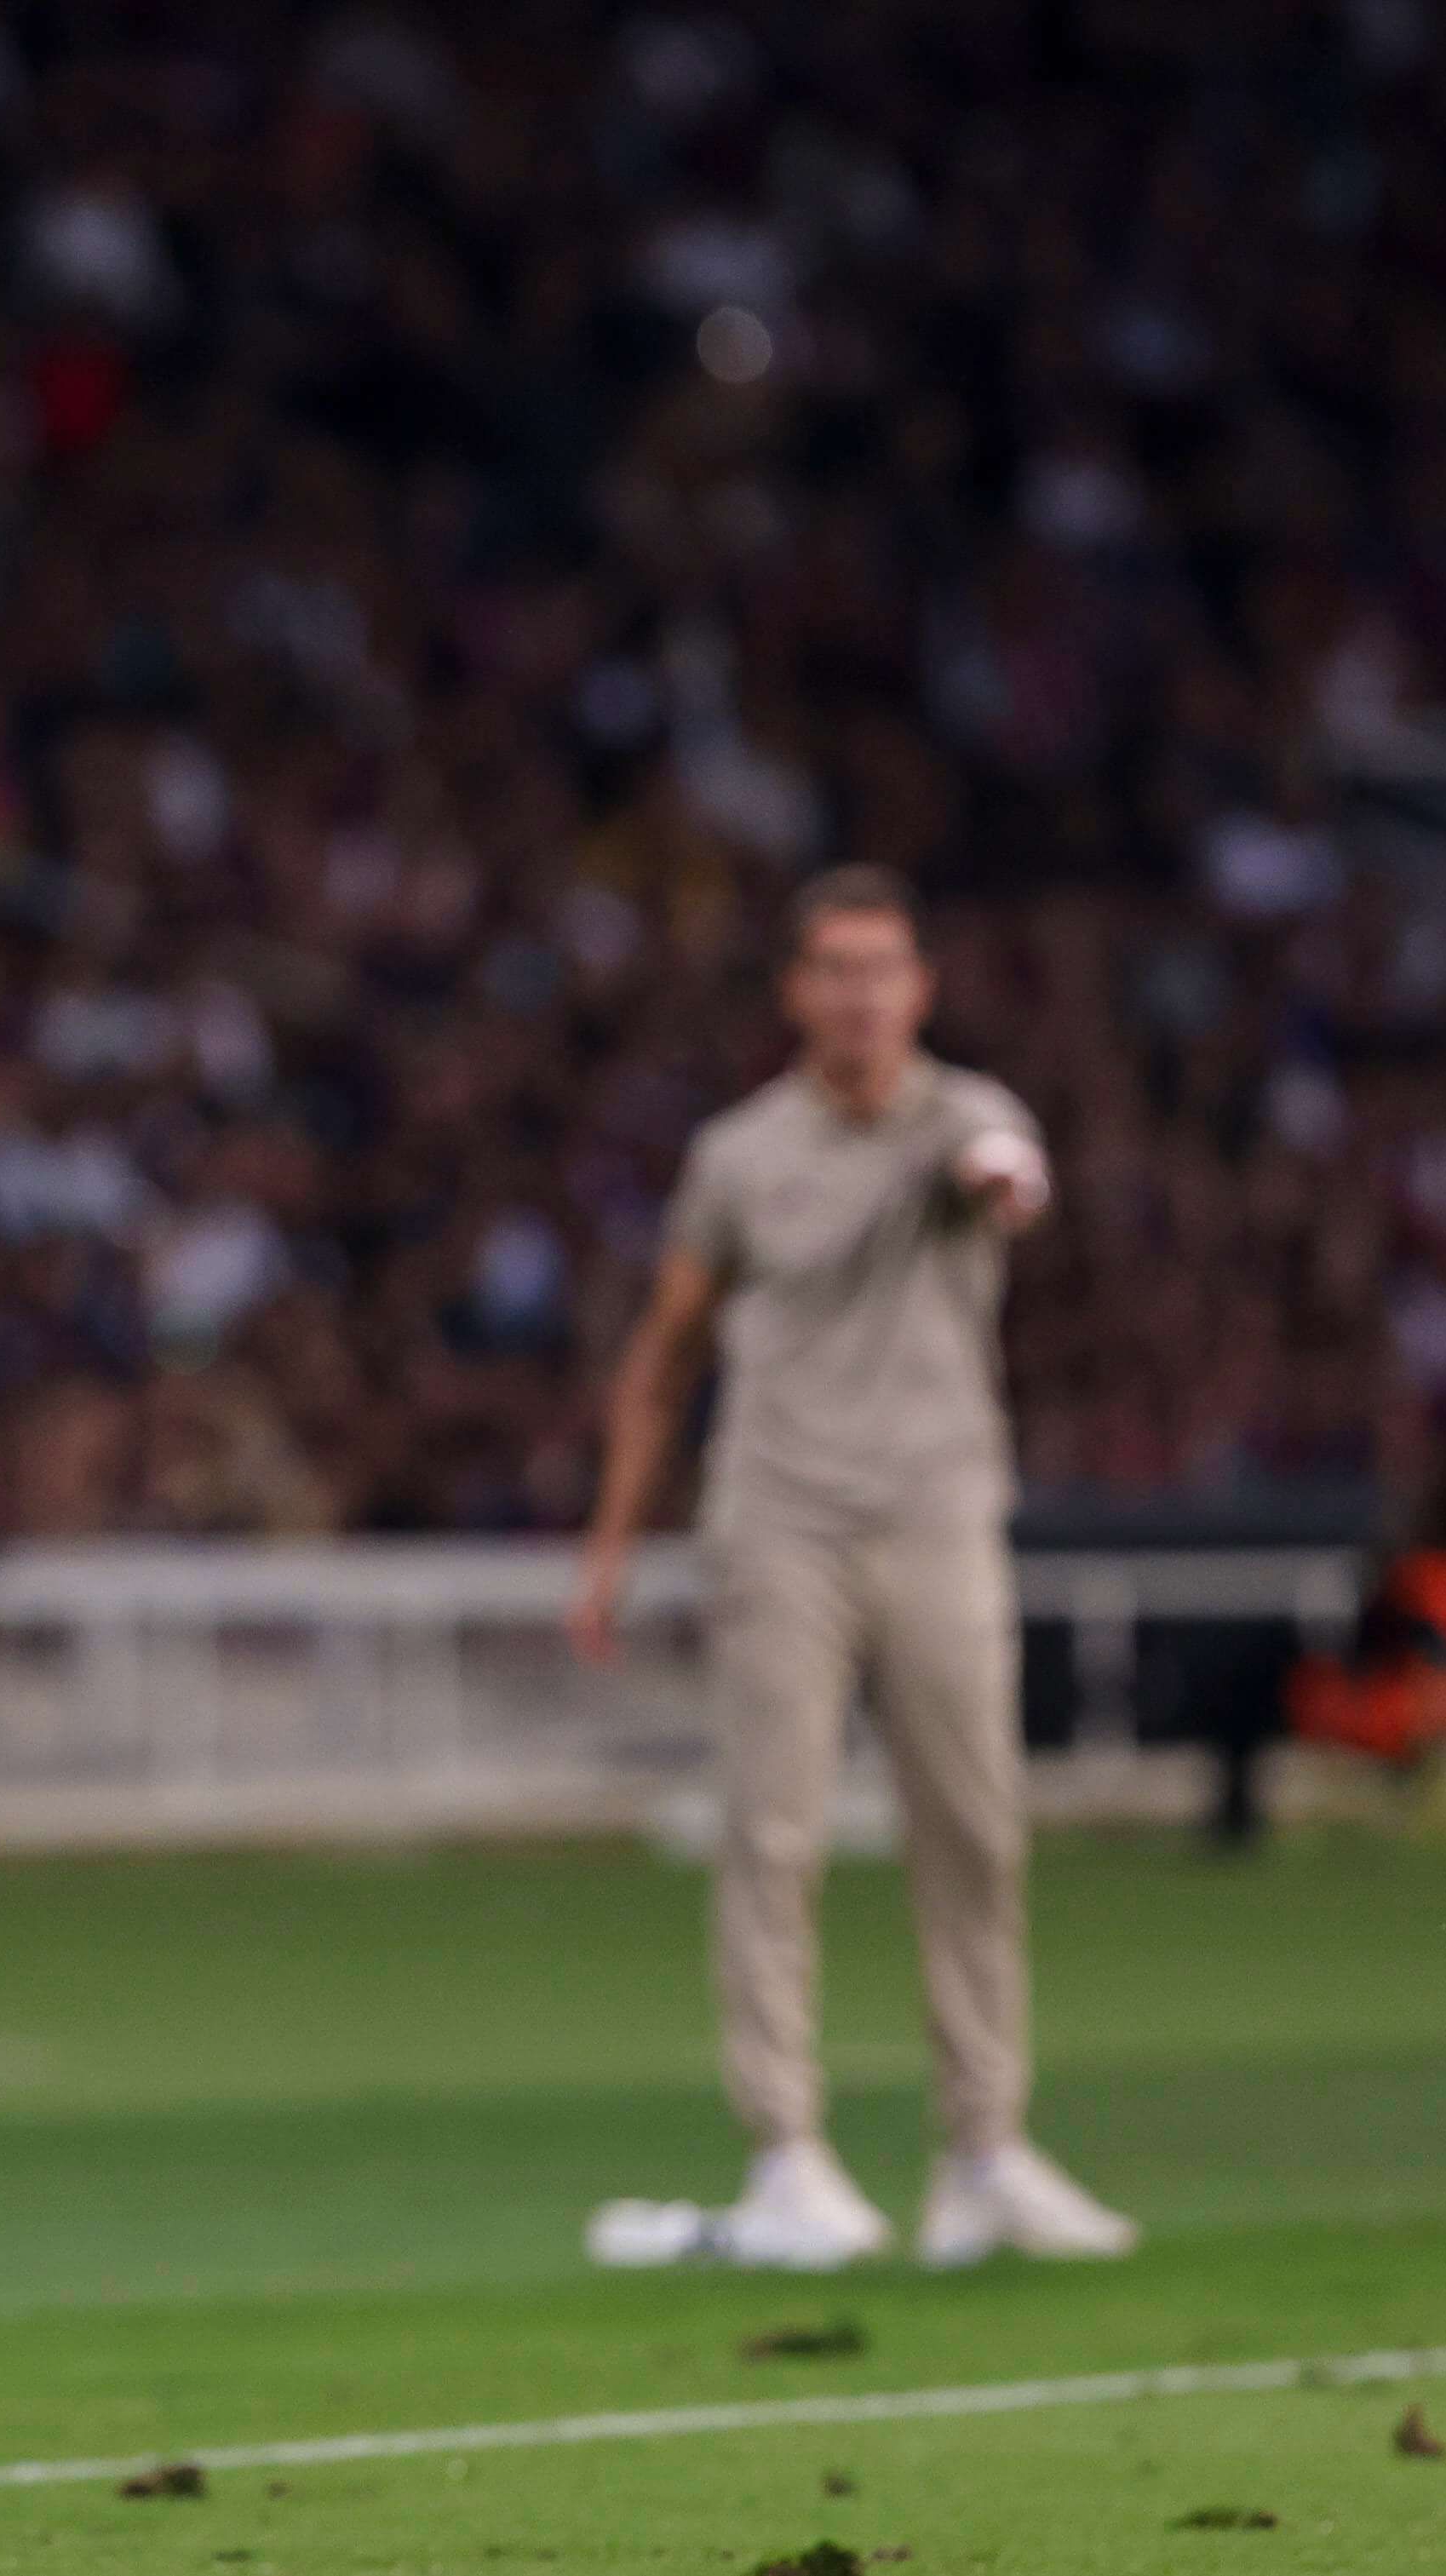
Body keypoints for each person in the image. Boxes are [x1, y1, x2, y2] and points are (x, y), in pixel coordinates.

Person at [567, 867, 1135, 2272]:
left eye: (881, 967)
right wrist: (609, 1539)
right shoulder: (741, 1155)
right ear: (795, 991)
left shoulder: (967, 1118)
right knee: (771, 1837)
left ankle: (985, 2152)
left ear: (918, 988)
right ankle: (784, 2156)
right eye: (832, 968)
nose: (859, 993)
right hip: (780, 1521)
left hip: (937, 1511)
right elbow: (666, 1346)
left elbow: (1007, 1176)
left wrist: (999, 1179)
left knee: (976, 1829)